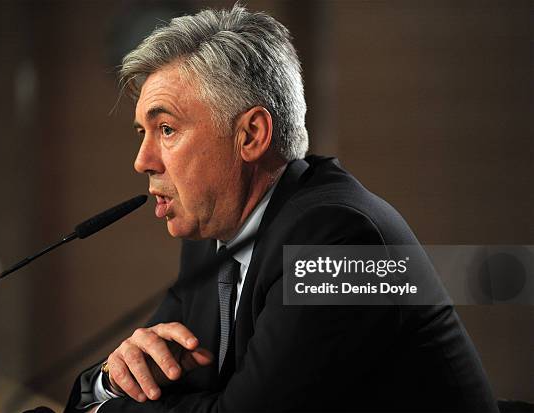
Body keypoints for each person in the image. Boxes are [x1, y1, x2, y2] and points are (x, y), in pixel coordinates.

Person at [65, 5, 498, 412]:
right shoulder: (212, 240)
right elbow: (161, 378)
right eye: (143, 132)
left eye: (166, 129)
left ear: (251, 135)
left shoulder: (341, 240)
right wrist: (109, 381)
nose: (142, 160)